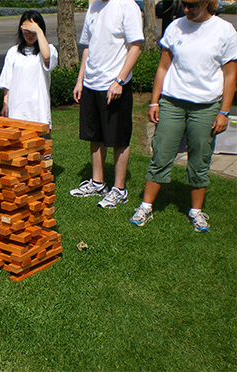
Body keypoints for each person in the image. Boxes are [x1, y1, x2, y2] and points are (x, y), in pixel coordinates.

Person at [129, 0, 237, 232]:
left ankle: (196, 212)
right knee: (161, 154)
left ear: (208, 2)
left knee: (200, 158)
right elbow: (162, 67)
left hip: (206, 107)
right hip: (172, 102)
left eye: (192, 5)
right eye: (184, 5)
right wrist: (154, 101)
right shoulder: (176, 26)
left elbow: (230, 75)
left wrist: (224, 112)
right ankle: (146, 207)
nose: (186, 10)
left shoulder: (224, 31)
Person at [69, 0, 144, 209]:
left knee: (118, 137)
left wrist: (119, 80)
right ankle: (98, 182)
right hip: (91, 84)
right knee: (94, 135)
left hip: (114, 84)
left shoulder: (127, 5)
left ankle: (119, 190)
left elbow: (136, 47)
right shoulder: (93, 7)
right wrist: (80, 80)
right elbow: (87, 48)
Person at [0, 10, 58, 136]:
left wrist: (38, 31)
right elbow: (6, 82)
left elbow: (46, 57)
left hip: (39, 114)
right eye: (26, 30)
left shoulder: (49, 50)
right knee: (18, 153)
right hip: (16, 114)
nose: (30, 34)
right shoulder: (13, 52)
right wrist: (5, 104)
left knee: (41, 154)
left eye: (33, 31)